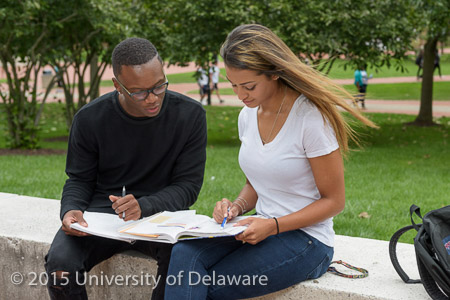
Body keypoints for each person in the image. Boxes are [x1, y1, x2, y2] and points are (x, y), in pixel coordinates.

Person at [164, 24, 377, 300]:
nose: (240, 95)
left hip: (307, 241)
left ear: (275, 72)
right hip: (258, 227)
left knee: (207, 287)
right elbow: (257, 181)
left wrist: (274, 226)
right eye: (233, 85)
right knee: (184, 254)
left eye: (249, 86)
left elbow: (334, 202)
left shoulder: (310, 119)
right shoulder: (247, 116)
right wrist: (236, 206)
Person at [44, 37, 207, 300]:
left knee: (182, 259)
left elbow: (187, 187)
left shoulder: (190, 116)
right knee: (61, 267)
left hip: (161, 216)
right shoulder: (89, 119)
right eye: (140, 92)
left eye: (159, 86)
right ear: (118, 86)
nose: (153, 98)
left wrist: (144, 206)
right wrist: (71, 209)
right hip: (100, 216)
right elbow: (79, 179)